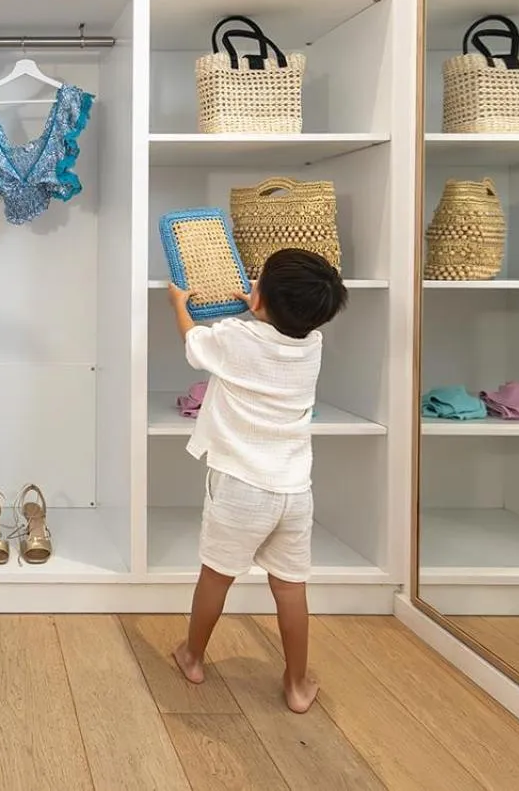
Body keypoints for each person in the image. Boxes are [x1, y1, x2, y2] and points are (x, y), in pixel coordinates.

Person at [166, 249, 348, 714]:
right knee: (290, 588)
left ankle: (192, 656)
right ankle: (296, 682)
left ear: (261, 297)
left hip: (239, 486)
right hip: (294, 490)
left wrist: (179, 306)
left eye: (257, 280)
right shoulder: (312, 346)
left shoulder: (235, 337)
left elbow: (194, 345)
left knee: (216, 576)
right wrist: (264, 303)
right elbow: (280, 329)